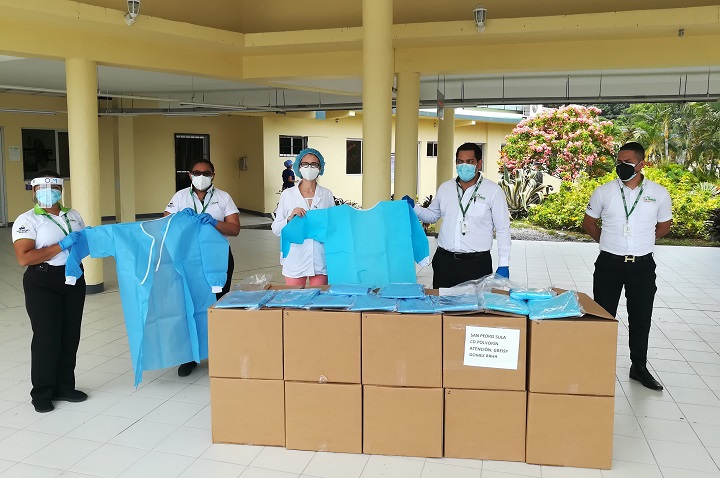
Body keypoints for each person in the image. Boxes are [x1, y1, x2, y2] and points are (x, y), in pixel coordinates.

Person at [583, 142, 672, 391]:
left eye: (627, 163)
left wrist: (641, 241)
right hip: (608, 264)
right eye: (619, 162)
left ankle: (639, 367)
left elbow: (664, 226)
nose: (621, 167)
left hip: (642, 266)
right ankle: (598, 366)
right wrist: (608, 241)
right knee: (603, 316)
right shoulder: (604, 192)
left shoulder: (659, 193)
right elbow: (589, 223)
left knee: (641, 317)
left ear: (641, 164)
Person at [12, 171, 87, 413]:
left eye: (54, 187)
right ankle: (42, 392)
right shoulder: (27, 220)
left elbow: (83, 244)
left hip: (73, 279)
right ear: (33, 191)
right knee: (47, 338)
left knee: (70, 335)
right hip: (43, 282)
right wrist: (61, 246)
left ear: (61, 189)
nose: (49, 192)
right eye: (43, 188)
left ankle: (65, 386)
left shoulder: (72, 215)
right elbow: (25, 258)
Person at [165, 159, 240, 376]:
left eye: (206, 172)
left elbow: (235, 229)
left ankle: (220, 353)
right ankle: (190, 356)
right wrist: (180, 219)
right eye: (196, 172)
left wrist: (214, 222)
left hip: (218, 259)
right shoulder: (180, 197)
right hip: (187, 259)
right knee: (188, 304)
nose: (201, 176)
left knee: (218, 305)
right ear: (190, 175)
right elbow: (165, 224)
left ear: (213, 175)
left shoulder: (223, 197)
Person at [405, 142, 511, 289]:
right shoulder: (445, 188)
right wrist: (413, 208)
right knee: (443, 307)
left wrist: (504, 263)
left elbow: (503, 229)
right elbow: (432, 215)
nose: (464, 166)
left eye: (469, 162)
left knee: (474, 309)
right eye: (460, 162)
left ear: (479, 164)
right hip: (444, 262)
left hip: (477, 265)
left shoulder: (493, 191)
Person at [272, 148, 334, 286]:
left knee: (319, 303)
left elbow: (334, 227)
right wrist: (289, 219)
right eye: (305, 164)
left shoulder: (327, 194)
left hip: (320, 258)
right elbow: (276, 229)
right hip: (295, 257)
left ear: (320, 168)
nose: (309, 167)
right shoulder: (287, 195)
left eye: (314, 164)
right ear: (298, 167)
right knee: (293, 302)